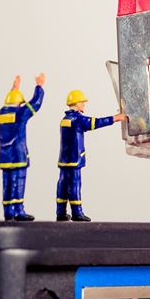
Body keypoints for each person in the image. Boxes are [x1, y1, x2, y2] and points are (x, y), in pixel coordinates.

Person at [54, 90, 124, 221]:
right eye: (83, 103)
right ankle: (77, 213)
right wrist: (115, 118)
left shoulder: (65, 119)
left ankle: (60, 212)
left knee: (62, 185)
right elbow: (95, 122)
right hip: (74, 159)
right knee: (74, 185)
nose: (84, 106)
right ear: (77, 104)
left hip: (64, 159)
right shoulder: (78, 119)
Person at [0, 73, 45, 221]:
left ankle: (8, 211)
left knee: (7, 184)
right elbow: (35, 104)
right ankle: (18, 210)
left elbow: (11, 103)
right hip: (18, 155)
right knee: (18, 182)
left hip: (5, 156)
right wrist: (39, 86)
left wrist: (14, 89)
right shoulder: (20, 114)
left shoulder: (0, 113)